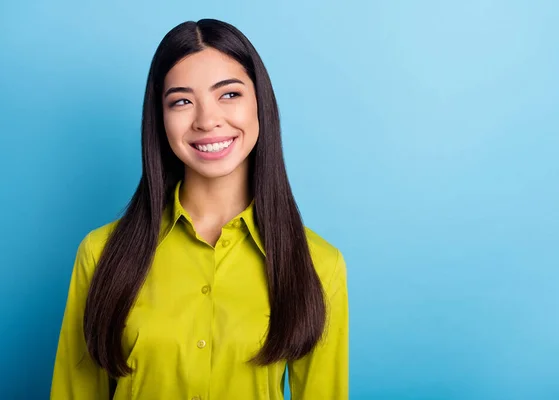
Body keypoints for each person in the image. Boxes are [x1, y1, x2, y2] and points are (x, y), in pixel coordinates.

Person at [50, 18, 348, 400]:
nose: (207, 120)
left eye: (228, 95)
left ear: (260, 103)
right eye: (182, 101)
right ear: (160, 119)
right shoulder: (100, 254)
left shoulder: (319, 266)